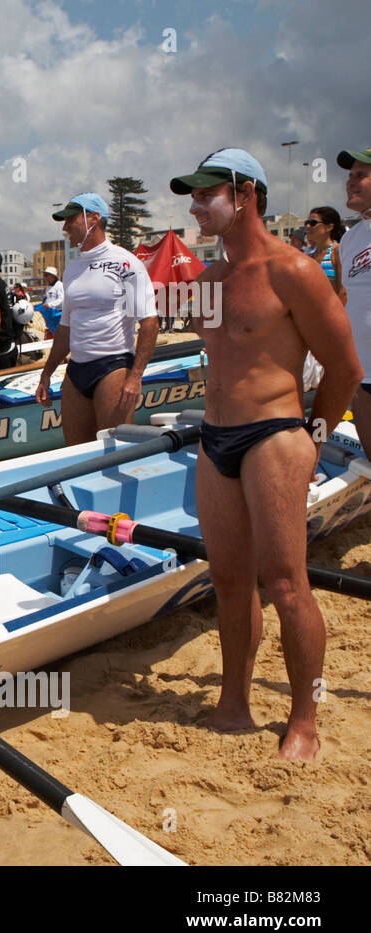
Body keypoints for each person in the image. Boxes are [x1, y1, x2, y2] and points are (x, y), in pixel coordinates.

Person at [170, 147, 361, 760]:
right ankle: (234, 700)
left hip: (275, 434)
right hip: (215, 437)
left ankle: (304, 718)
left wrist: (317, 431)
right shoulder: (208, 281)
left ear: (244, 193)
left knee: (285, 583)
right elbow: (199, 350)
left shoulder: (293, 272)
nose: (196, 207)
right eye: (192, 197)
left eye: (206, 195)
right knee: (228, 580)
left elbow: (345, 366)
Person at [35, 193, 158, 444]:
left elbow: (149, 323)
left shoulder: (126, 263)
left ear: (94, 218)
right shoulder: (73, 268)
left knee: (115, 453)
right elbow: (65, 329)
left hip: (113, 366)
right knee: (77, 454)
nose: (65, 227)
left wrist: (135, 377)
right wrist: (46, 373)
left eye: (70, 220)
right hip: (77, 368)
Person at [338, 146, 371, 453]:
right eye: (350, 176)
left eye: (361, 175)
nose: (350, 182)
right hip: (362, 375)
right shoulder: (351, 238)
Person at [304, 206, 346, 303]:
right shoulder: (310, 256)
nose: (308, 226)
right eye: (307, 223)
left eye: (313, 223)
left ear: (329, 227)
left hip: (333, 314)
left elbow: (344, 290)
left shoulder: (337, 251)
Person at [39, 266, 64, 340]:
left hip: (58, 316)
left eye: (46, 275)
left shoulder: (59, 285)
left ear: (53, 276)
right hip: (50, 317)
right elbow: (47, 299)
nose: (44, 277)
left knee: (59, 339)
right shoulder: (48, 287)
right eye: (44, 275)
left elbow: (61, 299)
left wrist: (49, 305)